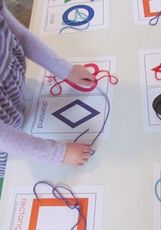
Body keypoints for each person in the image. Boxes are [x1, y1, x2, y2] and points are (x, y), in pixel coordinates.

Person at [0, 0, 95, 181]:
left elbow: (22, 37)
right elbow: (3, 138)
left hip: (16, 97)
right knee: (15, 173)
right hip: (9, 141)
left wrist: (66, 70)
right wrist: (58, 153)